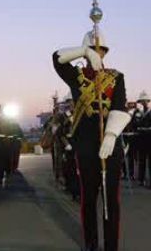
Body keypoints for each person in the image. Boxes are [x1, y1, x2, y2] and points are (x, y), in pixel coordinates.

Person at [53, 28, 131, 251]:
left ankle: (111, 247)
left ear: (105, 52)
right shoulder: (76, 77)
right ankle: (91, 244)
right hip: (86, 146)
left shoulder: (116, 77)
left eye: (100, 50)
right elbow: (56, 58)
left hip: (110, 145)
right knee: (88, 199)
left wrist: (111, 135)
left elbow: (120, 106)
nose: (98, 52)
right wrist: (83, 51)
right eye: (94, 49)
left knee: (111, 201)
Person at [133, 90, 151, 189]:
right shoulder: (137, 112)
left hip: (150, 137)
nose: (144, 102)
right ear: (140, 102)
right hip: (141, 136)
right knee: (142, 160)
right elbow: (134, 124)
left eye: (145, 101)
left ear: (148, 101)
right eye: (142, 101)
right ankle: (141, 179)